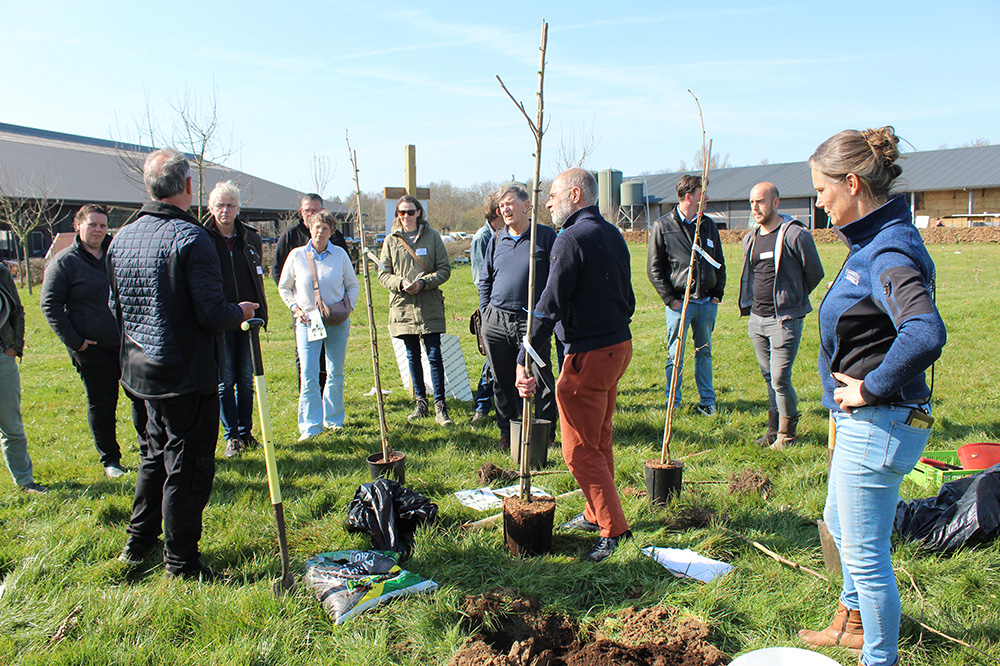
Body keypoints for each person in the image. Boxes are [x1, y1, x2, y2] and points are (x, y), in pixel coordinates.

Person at [797, 127, 946, 666]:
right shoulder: (872, 240)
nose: (819, 201)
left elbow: (925, 332)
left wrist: (872, 387)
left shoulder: (888, 250)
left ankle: (878, 657)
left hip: (879, 422)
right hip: (866, 421)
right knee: (839, 523)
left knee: (865, 556)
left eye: (822, 189)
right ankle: (853, 621)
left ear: (852, 183)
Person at [108, 147, 257, 580]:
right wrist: (240, 311)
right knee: (188, 467)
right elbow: (211, 313)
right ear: (189, 186)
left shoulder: (123, 236)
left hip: (141, 370)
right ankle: (181, 561)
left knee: (155, 455)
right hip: (184, 374)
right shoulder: (191, 238)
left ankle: (138, 541)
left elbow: (115, 307)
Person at [515, 168, 635, 563]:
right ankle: (594, 512)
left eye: (553, 194)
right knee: (599, 439)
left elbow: (549, 304)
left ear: (576, 194)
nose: (547, 202)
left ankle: (614, 530)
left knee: (579, 451)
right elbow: (628, 297)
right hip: (618, 346)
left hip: (589, 355)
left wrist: (524, 357)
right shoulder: (613, 233)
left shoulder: (570, 238)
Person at [40, 204, 139, 477]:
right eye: (92, 224)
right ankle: (111, 460)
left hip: (128, 345)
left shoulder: (118, 254)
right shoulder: (64, 262)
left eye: (102, 225)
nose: (98, 230)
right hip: (92, 349)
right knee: (103, 404)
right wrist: (76, 342)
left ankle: (150, 451)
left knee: (142, 399)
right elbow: (50, 305)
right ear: (78, 226)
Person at [737, 182, 824, 449]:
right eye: (752, 202)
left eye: (760, 201)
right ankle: (772, 430)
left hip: (784, 320)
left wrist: (791, 299)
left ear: (775, 203)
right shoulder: (750, 238)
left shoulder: (795, 235)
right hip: (757, 319)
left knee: (779, 379)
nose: (755, 207)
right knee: (768, 378)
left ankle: (787, 435)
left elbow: (815, 273)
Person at [479, 184, 558, 451]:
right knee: (501, 380)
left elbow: (556, 279)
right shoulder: (496, 239)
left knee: (540, 376)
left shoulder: (544, 236)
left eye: (510, 203)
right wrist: (486, 313)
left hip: (532, 320)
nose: (505, 209)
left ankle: (545, 434)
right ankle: (507, 433)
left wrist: (544, 316)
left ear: (526, 205)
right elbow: (486, 279)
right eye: (501, 206)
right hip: (496, 321)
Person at [647, 174, 726, 415]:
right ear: (689, 197)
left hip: (706, 302)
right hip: (680, 304)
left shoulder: (708, 225)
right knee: (676, 354)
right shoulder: (663, 226)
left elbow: (720, 262)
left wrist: (717, 294)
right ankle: (673, 403)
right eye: (703, 194)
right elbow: (654, 269)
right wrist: (671, 299)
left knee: (705, 353)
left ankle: (707, 402)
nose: (707, 198)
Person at [278, 209, 359, 440]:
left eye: (325, 228)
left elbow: (353, 285)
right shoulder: (296, 256)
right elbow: (284, 287)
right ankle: (310, 426)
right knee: (309, 373)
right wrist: (295, 308)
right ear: (310, 228)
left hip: (337, 321)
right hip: (308, 321)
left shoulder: (340, 255)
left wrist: (348, 307)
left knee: (335, 372)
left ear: (331, 232)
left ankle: (333, 420)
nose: (320, 232)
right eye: (317, 227)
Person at [203, 181, 269, 458]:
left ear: (238, 208)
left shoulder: (250, 238)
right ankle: (231, 436)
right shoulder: (202, 237)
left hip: (248, 317)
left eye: (230, 205)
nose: (225, 210)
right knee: (225, 380)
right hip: (220, 317)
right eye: (220, 205)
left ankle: (245, 432)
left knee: (245, 379)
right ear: (211, 208)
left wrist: (261, 312)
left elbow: (257, 278)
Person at [378, 194, 453, 426]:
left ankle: (440, 405)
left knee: (434, 355)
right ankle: (421, 403)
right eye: (402, 212)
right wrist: (400, 283)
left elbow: (444, 269)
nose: (407, 216)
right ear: (397, 214)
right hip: (403, 306)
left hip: (429, 304)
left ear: (418, 212)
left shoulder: (433, 236)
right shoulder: (390, 241)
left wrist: (423, 283)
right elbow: (383, 274)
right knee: (412, 356)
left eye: (411, 212)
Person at [272, 194, 347, 393]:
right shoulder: (290, 236)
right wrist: (295, 302)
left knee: (329, 357)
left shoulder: (335, 237)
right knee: (306, 358)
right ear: (301, 212)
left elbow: (347, 272)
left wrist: (345, 304)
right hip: (305, 312)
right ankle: (309, 394)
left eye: (315, 210)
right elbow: (279, 272)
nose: (310, 214)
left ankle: (326, 396)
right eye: (307, 210)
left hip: (332, 311)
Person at [0, 261, 47, 495]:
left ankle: (25, 482)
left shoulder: (1, 272)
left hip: (2, 358)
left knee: (12, 427)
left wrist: (14, 347)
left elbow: (17, 310)